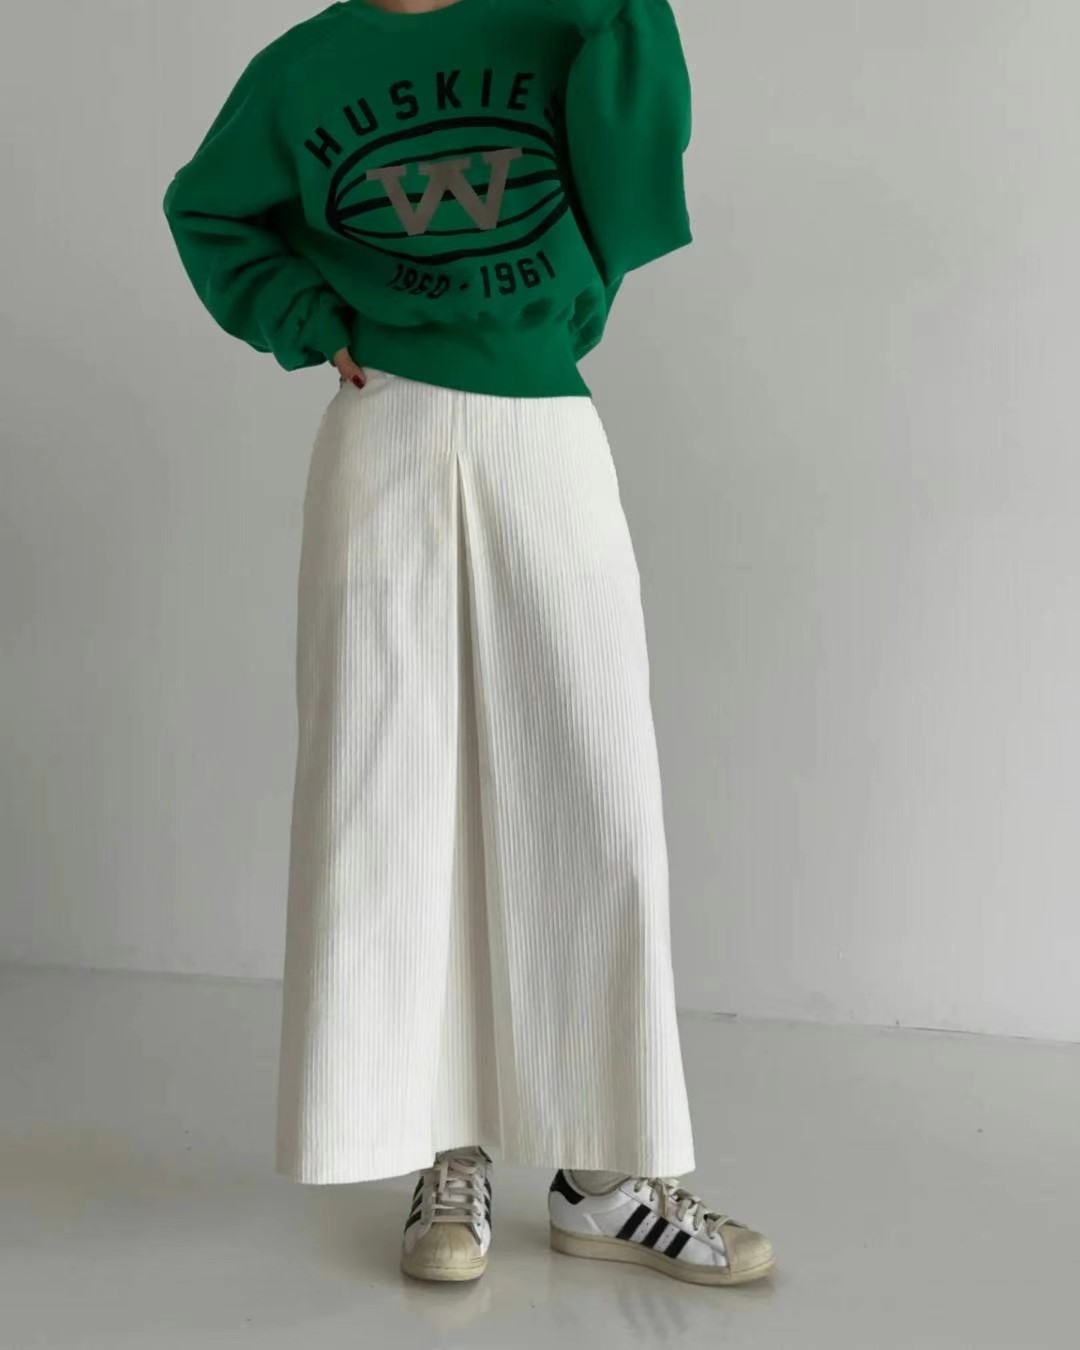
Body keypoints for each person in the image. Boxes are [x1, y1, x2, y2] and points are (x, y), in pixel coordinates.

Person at [163, 0, 774, 1288]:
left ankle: (607, 1176)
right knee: (391, 788)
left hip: (543, 425)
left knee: (596, 787)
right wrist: (305, 315)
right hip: (382, 425)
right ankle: (445, 1153)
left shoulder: (566, 26)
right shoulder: (300, 66)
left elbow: (635, 188)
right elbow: (206, 209)